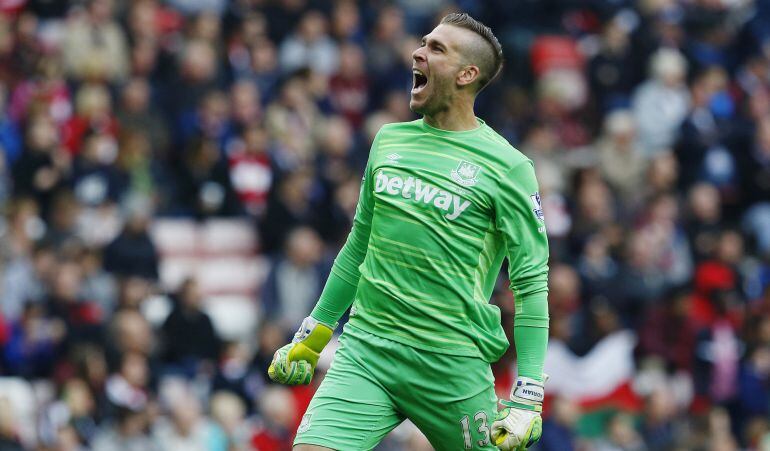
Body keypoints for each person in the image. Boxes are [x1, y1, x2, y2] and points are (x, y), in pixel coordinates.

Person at [268, 13, 550, 451]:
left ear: (466, 74)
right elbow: (358, 247)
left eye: (436, 49)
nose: (418, 53)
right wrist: (317, 329)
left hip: (451, 362)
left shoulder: (508, 167)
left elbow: (530, 284)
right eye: (423, 43)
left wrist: (528, 393)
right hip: (367, 351)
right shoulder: (388, 141)